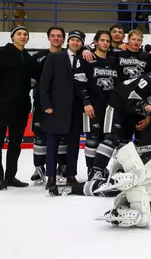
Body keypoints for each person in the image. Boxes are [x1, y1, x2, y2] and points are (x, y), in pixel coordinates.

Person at [0, 25, 33, 190]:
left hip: (20, 108)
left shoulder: (27, 56)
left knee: (15, 145)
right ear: (12, 37)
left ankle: (10, 177)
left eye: (25, 34)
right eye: (19, 34)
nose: (22, 36)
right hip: (1, 107)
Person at [40, 30, 86, 193]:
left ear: (81, 44)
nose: (75, 43)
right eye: (72, 40)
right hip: (56, 109)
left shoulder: (84, 58)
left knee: (74, 144)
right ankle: (51, 177)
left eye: (78, 41)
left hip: (76, 109)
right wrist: (46, 104)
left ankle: (71, 175)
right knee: (52, 144)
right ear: (68, 42)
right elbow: (44, 83)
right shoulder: (55, 57)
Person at [74, 30, 119, 178]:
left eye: (107, 41)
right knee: (93, 138)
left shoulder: (113, 60)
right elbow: (79, 83)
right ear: (96, 41)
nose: (105, 43)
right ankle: (90, 170)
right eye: (102, 40)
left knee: (107, 139)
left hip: (110, 107)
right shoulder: (86, 59)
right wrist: (86, 102)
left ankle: (99, 168)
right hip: (92, 106)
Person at [28, 26, 67, 185]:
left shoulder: (69, 56)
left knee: (63, 136)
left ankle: (62, 166)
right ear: (49, 38)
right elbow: (30, 81)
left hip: (64, 104)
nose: (56, 38)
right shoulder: (39, 57)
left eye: (59, 36)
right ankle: (39, 168)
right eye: (53, 35)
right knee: (40, 136)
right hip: (42, 102)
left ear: (63, 39)